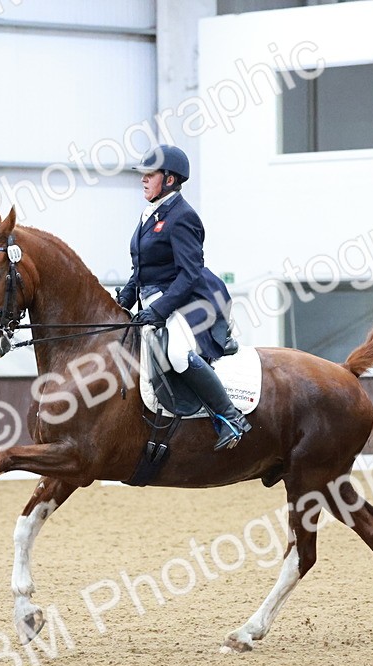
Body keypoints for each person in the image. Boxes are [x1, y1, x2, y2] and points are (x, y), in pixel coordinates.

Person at [116, 145, 251, 451]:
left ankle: (230, 417)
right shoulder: (150, 214)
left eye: (150, 174)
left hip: (193, 301)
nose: (144, 180)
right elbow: (142, 269)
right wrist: (122, 301)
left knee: (176, 354)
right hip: (159, 297)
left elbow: (189, 274)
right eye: (144, 175)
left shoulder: (182, 217)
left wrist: (160, 310)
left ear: (170, 180)